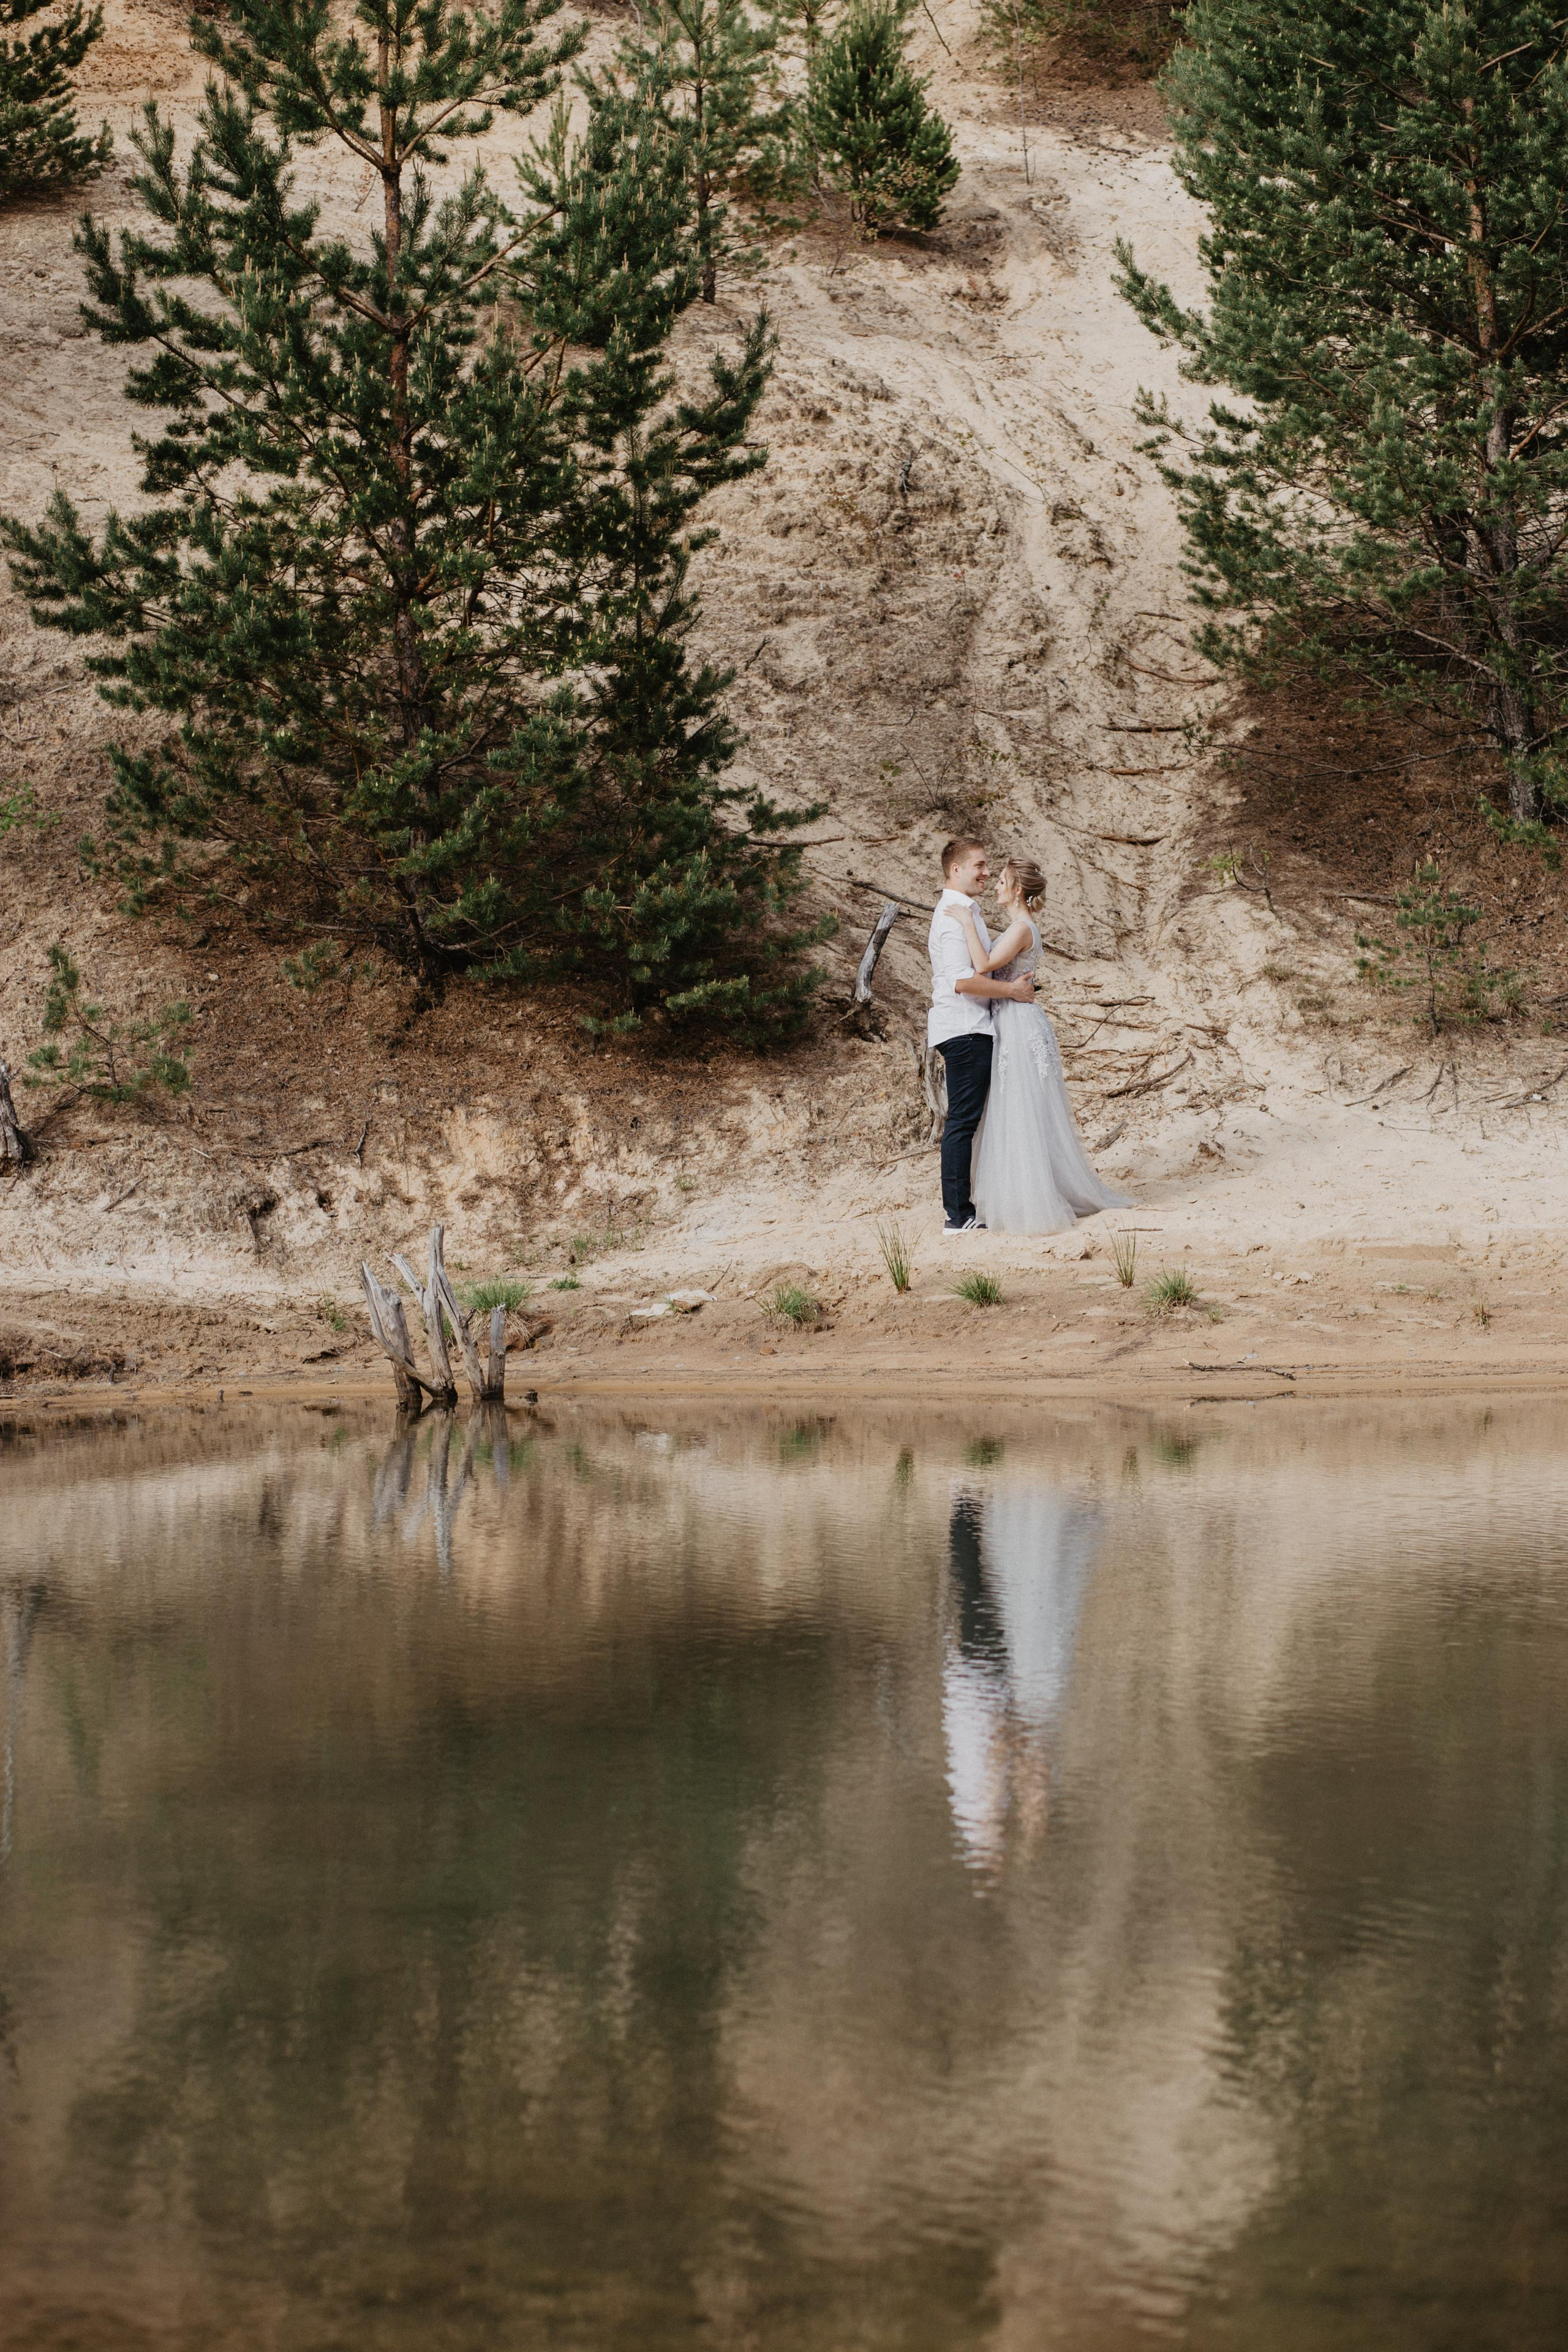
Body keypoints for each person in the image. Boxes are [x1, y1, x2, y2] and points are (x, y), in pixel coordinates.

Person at [952, 855, 1127, 1234]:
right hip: (1013, 1018)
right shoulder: (1020, 927)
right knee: (1014, 1108)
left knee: (1020, 1108)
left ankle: (1032, 1199)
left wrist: (967, 921)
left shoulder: (1020, 929)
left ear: (1017, 890)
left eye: (1002, 880)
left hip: (1018, 1023)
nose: (996, 885)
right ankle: (1020, 1193)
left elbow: (982, 967)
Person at [927, 839, 1036, 1237]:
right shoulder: (953, 917)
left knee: (968, 1121)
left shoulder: (966, 913)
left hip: (972, 1027)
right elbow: (963, 981)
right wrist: (1012, 992)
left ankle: (968, 1208)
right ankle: (958, 1216)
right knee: (963, 1122)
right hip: (965, 1029)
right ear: (956, 870)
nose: (986, 873)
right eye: (980, 865)